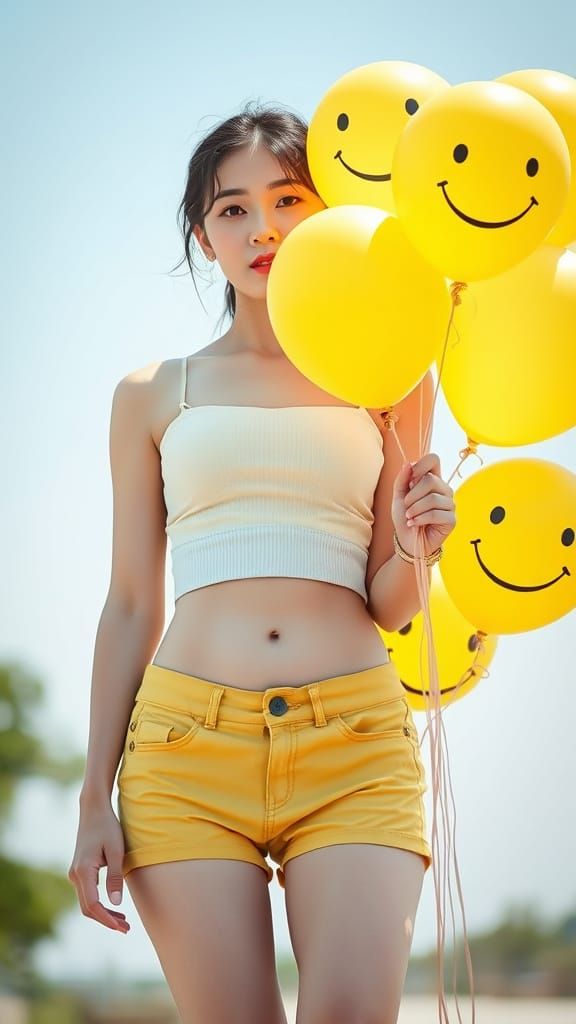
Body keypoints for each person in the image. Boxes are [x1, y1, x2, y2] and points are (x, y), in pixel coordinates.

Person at [68, 102, 456, 1024]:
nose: (264, 227)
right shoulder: (153, 394)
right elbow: (129, 603)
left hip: (355, 744)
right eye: (233, 209)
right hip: (183, 753)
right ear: (204, 237)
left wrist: (417, 546)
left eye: (287, 199)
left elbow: (393, 603)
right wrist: (92, 799)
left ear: (327, 215)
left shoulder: (394, 374)